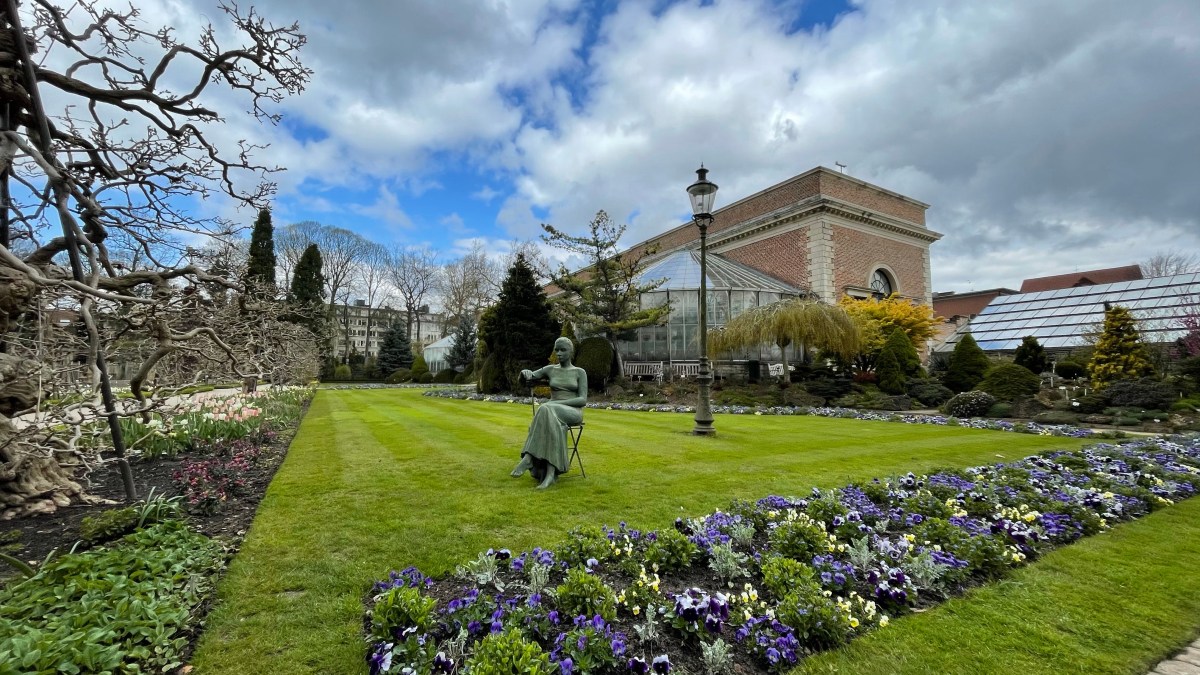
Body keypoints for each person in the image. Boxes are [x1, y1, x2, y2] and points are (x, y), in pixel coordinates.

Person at [511, 337, 588, 489]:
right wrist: (524, 373)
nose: (558, 353)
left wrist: (556, 404)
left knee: (546, 408)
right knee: (549, 415)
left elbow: (582, 400)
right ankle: (550, 475)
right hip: (552, 413)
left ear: (570, 352)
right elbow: (527, 378)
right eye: (556, 350)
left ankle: (529, 457)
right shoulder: (550, 369)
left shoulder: (579, 372)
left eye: (563, 350)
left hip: (572, 412)